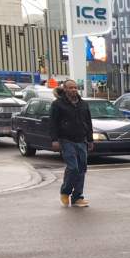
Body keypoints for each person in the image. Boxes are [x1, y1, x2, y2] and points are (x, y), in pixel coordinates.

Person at [49, 79, 93, 208]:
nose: (74, 89)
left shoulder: (83, 104)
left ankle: (77, 197)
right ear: (65, 89)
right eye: (71, 88)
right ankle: (65, 191)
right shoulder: (58, 104)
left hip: (81, 140)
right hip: (66, 140)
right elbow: (53, 123)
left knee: (82, 168)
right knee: (73, 167)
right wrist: (54, 140)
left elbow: (88, 122)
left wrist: (90, 139)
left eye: (75, 87)